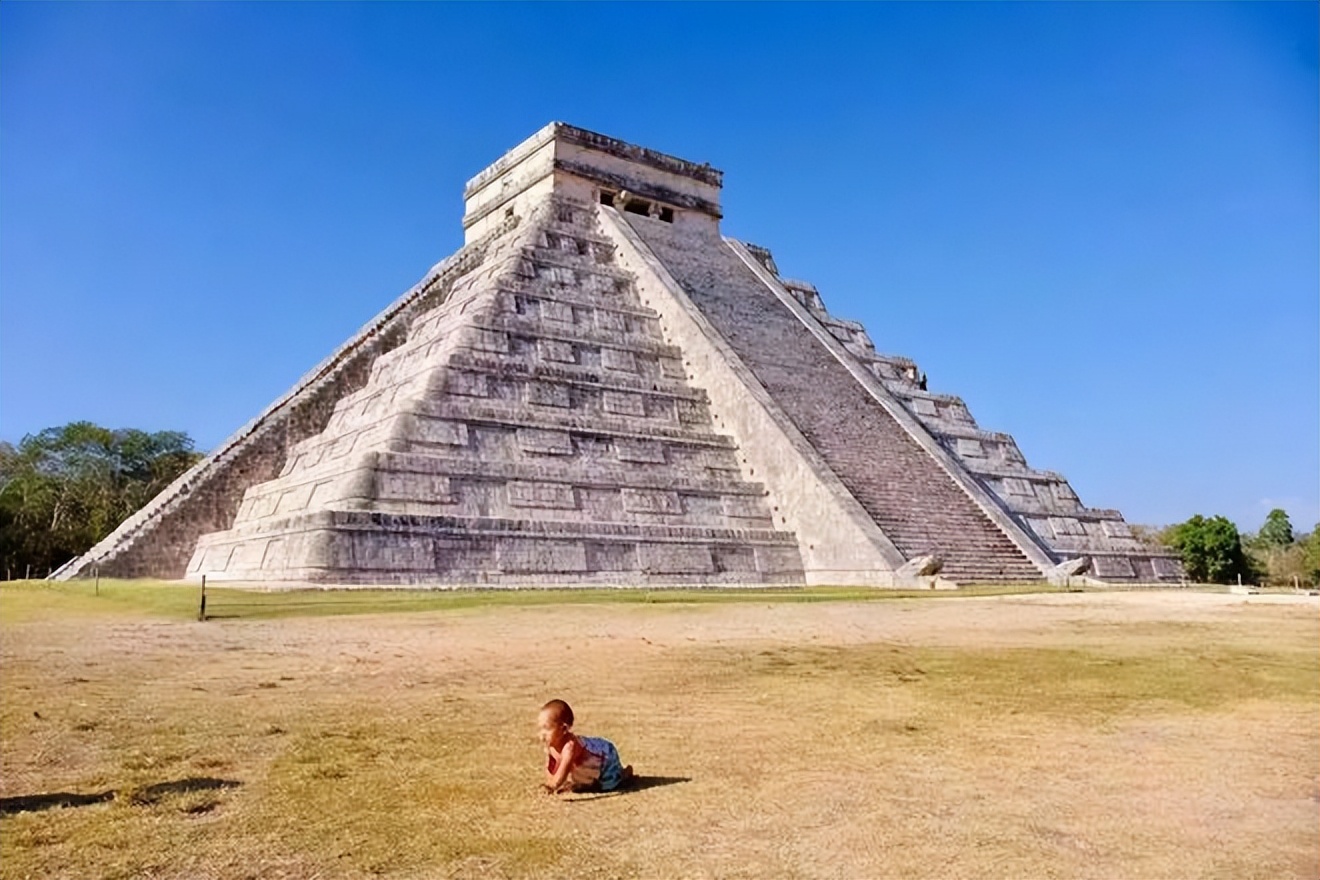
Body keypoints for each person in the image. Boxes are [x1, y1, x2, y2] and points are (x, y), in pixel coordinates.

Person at [537, 699, 633, 793]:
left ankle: (624, 774)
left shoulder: (569, 747)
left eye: (547, 728)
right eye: (540, 728)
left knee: (608, 784)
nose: (542, 733)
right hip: (589, 765)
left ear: (564, 729)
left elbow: (564, 769)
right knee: (584, 782)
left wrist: (552, 785)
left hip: (605, 756)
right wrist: (550, 781)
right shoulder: (551, 745)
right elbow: (551, 766)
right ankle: (591, 780)